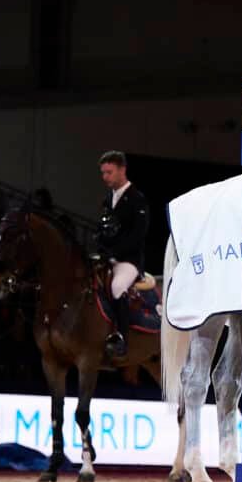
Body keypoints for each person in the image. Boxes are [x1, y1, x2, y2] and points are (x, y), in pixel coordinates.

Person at [95, 151, 149, 358]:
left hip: (129, 261)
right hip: (107, 258)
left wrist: (113, 252)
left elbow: (138, 235)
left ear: (122, 170)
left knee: (117, 287)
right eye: (103, 173)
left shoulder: (137, 199)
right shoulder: (108, 199)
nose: (105, 177)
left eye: (109, 172)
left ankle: (121, 338)